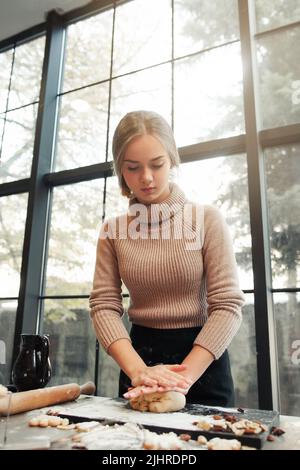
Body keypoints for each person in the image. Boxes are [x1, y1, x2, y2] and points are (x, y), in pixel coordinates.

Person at [89, 110, 245, 407]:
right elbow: (103, 307)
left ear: (172, 159)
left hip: (203, 363)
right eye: (133, 168)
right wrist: (139, 371)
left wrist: (181, 379)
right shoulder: (112, 231)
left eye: (157, 164)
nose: (146, 178)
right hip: (139, 365)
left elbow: (227, 305)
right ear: (120, 170)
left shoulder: (206, 220)